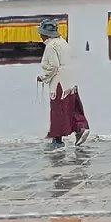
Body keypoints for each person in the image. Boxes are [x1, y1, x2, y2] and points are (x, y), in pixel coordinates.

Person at [36, 19, 89, 147]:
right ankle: (80, 127)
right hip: (70, 81)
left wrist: (43, 77)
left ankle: (57, 140)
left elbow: (54, 66)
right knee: (72, 107)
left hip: (59, 82)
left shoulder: (50, 46)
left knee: (58, 109)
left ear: (44, 34)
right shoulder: (64, 43)